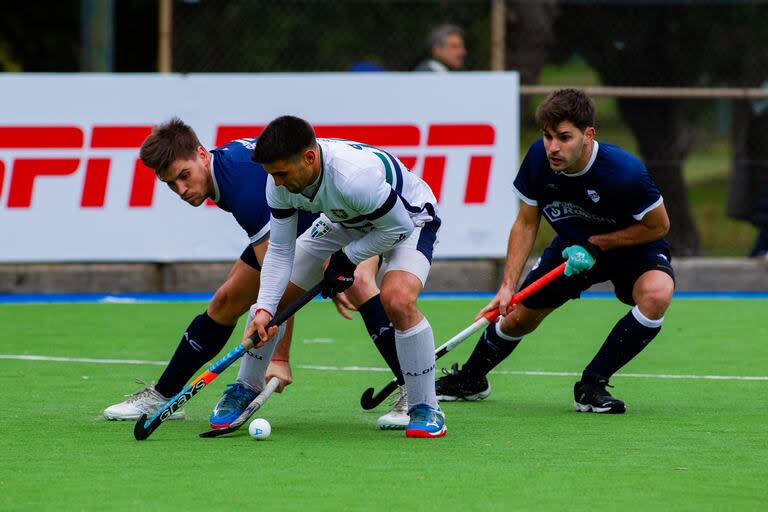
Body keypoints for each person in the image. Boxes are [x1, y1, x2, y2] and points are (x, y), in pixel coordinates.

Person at [102, 118, 408, 429]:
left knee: (358, 283)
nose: (181, 189)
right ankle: (163, 395)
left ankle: (412, 389)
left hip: (359, 208)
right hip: (299, 223)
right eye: (170, 183)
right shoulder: (224, 171)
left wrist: (279, 358)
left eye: (184, 176)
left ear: (202, 154)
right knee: (226, 300)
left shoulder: (244, 190)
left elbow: (280, 282)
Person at [435, 88, 675, 414]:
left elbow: (658, 226)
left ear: (588, 135)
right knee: (518, 318)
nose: (553, 148)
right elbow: (525, 223)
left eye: (564, 137)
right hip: (571, 248)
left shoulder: (624, 172)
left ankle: (592, 384)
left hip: (633, 246)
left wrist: (601, 243)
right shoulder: (538, 158)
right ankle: (470, 380)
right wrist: (507, 287)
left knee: (657, 294)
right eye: (548, 137)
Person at [246, 115, 446, 438]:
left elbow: (397, 229)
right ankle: (245, 387)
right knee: (275, 295)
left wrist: (347, 259)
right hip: (346, 219)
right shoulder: (279, 181)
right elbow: (281, 252)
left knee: (397, 298)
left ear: (309, 158)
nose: (277, 183)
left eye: (282, 174)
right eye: (273, 176)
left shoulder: (353, 177)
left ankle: (426, 406)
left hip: (409, 218)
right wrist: (266, 309)